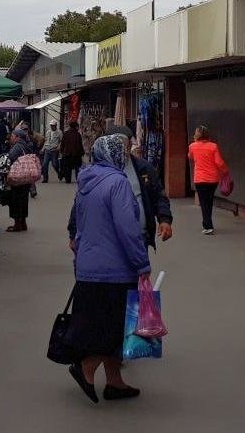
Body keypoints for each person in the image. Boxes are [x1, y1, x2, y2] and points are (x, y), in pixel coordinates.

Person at [64, 134, 152, 403]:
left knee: (108, 323)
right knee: (113, 326)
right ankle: (86, 369)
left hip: (89, 266)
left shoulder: (87, 182)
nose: (125, 155)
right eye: (122, 151)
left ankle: (115, 382)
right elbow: (128, 229)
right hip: (114, 269)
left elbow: (78, 225)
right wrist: (142, 263)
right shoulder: (118, 183)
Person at [187, 125, 229, 234]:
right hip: (212, 179)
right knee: (209, 202)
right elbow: (219, 162)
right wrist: (225, 171)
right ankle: (208, 223)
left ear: (197, 135)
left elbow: (190, 157)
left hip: (200, 179)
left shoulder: (192, 146)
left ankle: (208, 226)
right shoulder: (213, 146)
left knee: (203, 202)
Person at [4, 129, 38, 232]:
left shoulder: (17, 146)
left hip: (18, 177)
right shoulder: (27, 145)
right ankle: (23, 223)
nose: (11, 138)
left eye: (13, 136)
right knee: (24, 200)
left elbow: (11, 157)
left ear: (18, 137)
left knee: (15, 200)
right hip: (26, 177)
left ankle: (17, 224)